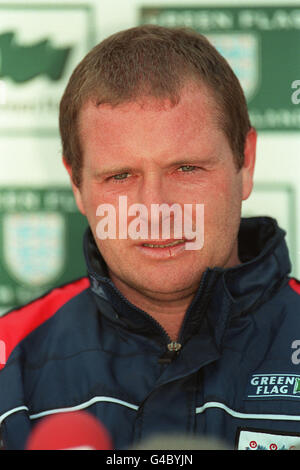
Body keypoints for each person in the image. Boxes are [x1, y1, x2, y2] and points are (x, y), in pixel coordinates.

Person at [0, 25, 299, 451]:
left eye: (187, 169)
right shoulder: (9, 363)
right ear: (77, 185)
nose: (154, 210)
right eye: (120, 176)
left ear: (245, 162)